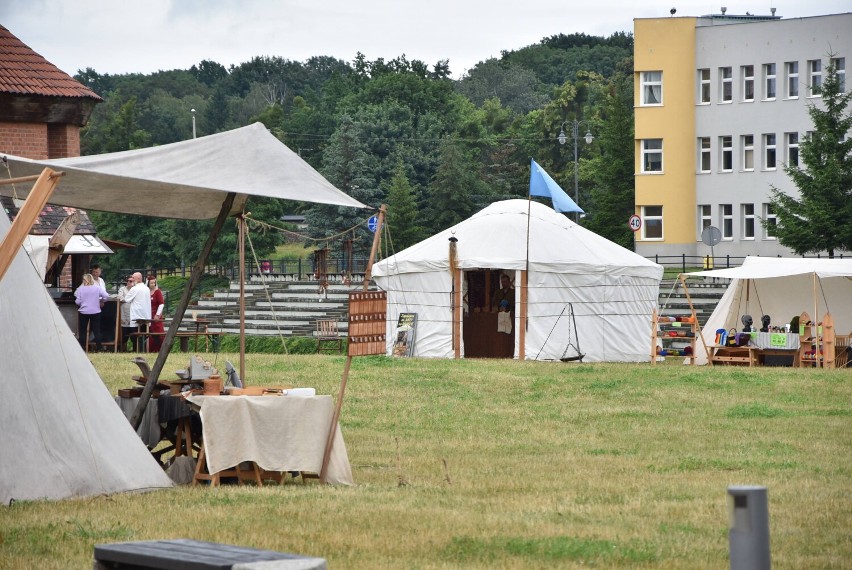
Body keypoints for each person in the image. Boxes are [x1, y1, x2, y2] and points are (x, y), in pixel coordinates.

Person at [75, 273, 110, 352]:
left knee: (83, 331)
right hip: (95, 311)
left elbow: (78, 302)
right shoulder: (97, 288)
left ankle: (82, 348)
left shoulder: (81, 289)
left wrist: (81, 303)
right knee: (96, 330)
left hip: (83, 312)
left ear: (85, 280)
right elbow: (106, 296)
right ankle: (99, 348)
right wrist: (102, 300)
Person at [123, 272, 152, 352]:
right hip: (146, 316)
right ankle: (144, 350)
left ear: (138, 279)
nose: (132, 280)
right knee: (144, 335)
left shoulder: (135, 288)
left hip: (137, 316)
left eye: (133, 278)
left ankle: (137, 350)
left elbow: (126, 299)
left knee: (135, 337)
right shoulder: (146, 288)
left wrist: (132, 287)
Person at [116, 275, 135, 351]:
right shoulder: (122, 289)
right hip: (124, 314)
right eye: (127, 281)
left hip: (133, 315)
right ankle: (123, 349)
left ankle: (135, 349)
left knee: (133, 332)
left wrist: (126, 299)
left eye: (131, 281)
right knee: (124, 332)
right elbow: (119, 297)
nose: (128, 282)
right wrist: (129, 299)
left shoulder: (135, 289)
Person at [147, 275, 165, 352]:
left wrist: (157, 314)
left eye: (154, 283)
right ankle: (151, 350)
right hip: (148, 316)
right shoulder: (146, 292)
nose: (153, 284)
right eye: (151, 283)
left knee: (159, 333)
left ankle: (161, 350)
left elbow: (161, 304)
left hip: (156, 317)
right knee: (150, 334)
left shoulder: (158, 292)